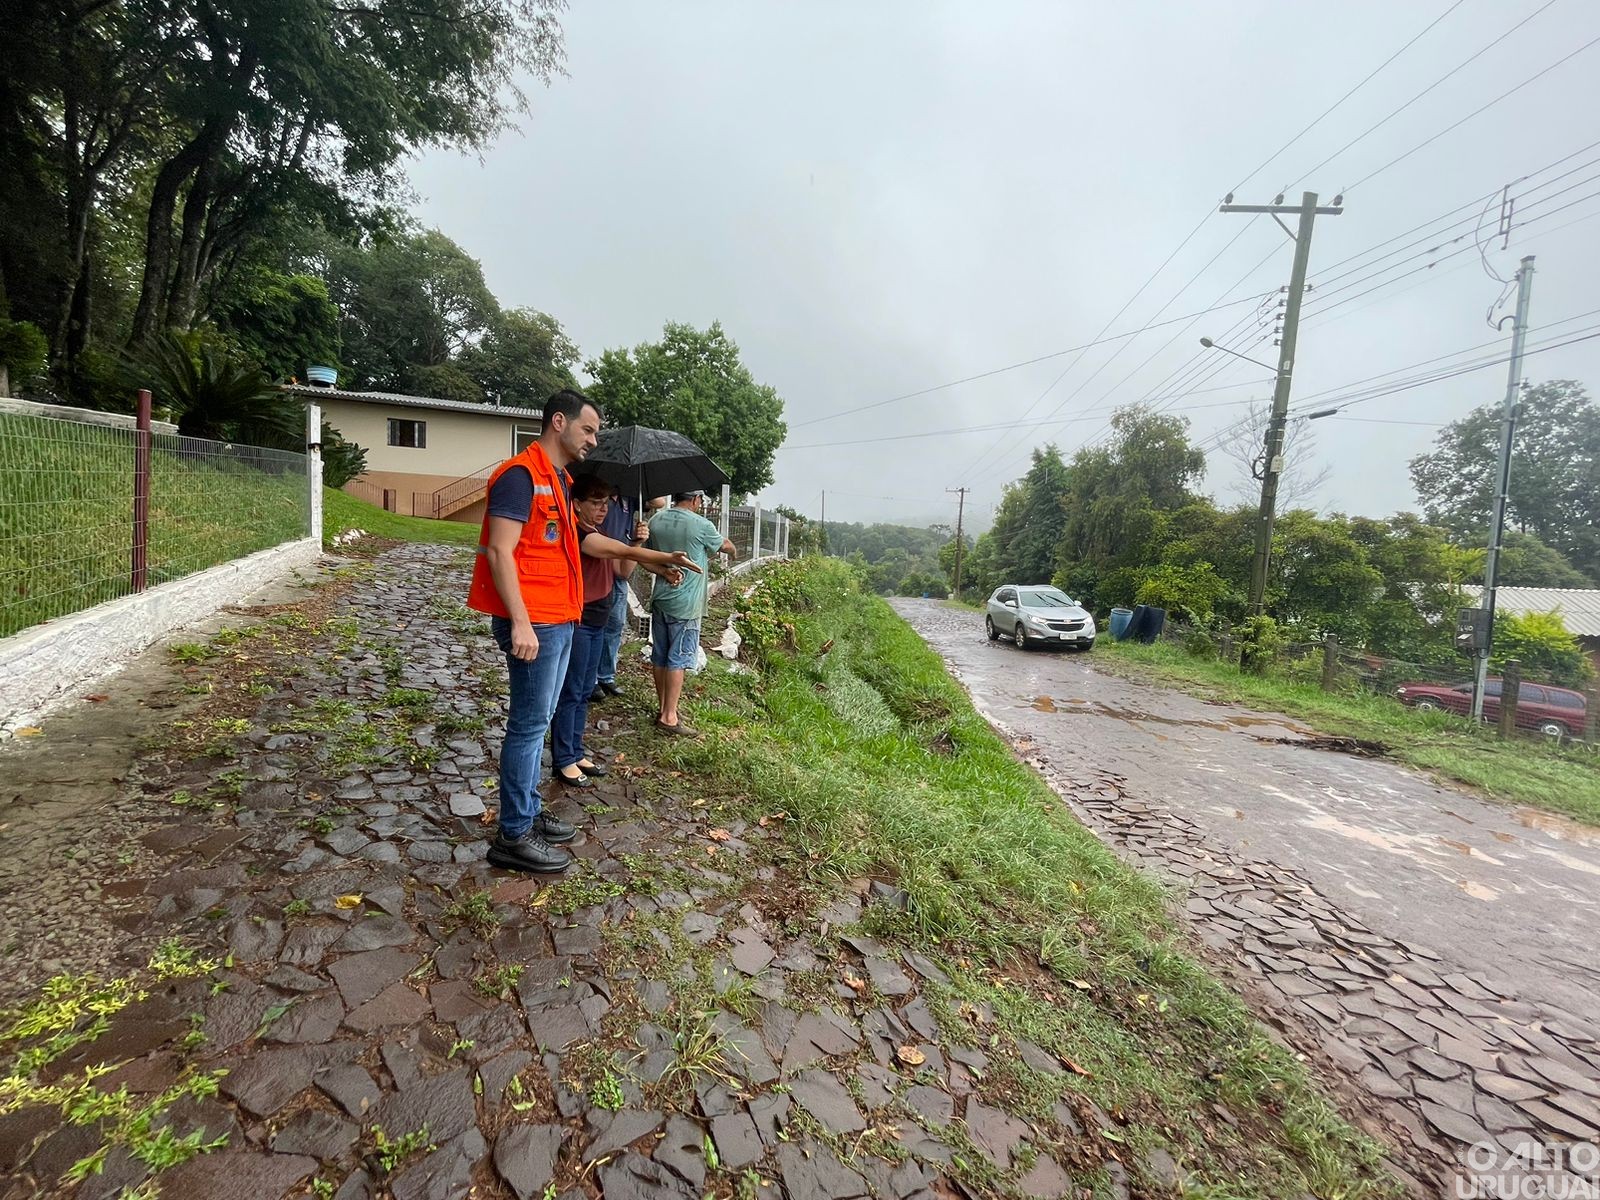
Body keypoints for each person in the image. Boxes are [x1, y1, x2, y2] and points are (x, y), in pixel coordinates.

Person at [466, 390, 700, 874]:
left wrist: (655, 557)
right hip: (536, 623)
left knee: (542, 719)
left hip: (560, 616)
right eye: (588, 429)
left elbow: (587, 542)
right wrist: (522, 622)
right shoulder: (520, 476)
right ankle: (513, 833)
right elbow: (499, 552)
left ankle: (526, 811)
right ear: (558, 422)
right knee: (529, 727)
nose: (594, 439)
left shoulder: (557, 479)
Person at [551, 476, 682, 788]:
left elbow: (622, 569)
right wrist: (661, 556)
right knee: (570, 691)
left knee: (584, 690)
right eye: (594, 503)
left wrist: (635, 543)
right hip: (580, 620)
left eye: (605, 503)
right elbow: (619, 553)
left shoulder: (598, 531)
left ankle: (574, 750)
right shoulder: (580, 532)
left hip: (598, 619)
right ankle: (563, 758)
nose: (601, 509)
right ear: (577, 504)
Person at [646, 490, 736, 736]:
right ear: (696, 499)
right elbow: (724, 545)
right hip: (686, 604)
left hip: (661, 598)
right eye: (701, 501)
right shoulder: (701, 524)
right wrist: (733, 549)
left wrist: (664, 572)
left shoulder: (656, 521)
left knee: (661, 655)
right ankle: (669, 717)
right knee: (678, 659)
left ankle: (663, 707)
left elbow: (644, 557)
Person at [592, 485, 636, 702]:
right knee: (594, 625)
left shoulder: (631, 498)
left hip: (618, 568)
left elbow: (658, 502)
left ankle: (606, 674)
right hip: (598, 563)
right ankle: (590, 679)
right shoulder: (599, 498)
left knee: (616, 624)